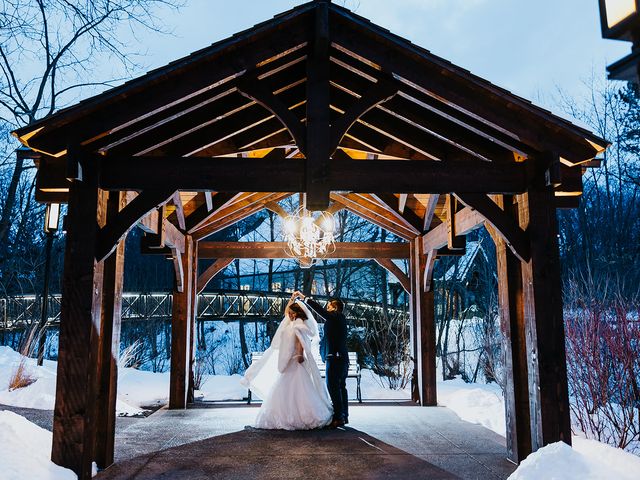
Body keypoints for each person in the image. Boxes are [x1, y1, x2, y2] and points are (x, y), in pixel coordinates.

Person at [241, 292, 333, 430]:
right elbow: (286, 313)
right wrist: (291, 299)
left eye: (291, 313)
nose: (288, 315)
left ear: (295, 313)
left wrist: (299, 355)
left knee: (296, 388)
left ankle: (299, 416)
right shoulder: (291, 323)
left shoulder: (298, 325)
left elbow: (300, 341)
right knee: (289, 387)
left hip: (295, 360)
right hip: (289, 360)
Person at [295, 291, 349, 429]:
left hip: (335, 359)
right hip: (341, 358)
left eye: (329, 306)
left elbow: (320, 311)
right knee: (341, 387)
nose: (327, 309)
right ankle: (343, 415)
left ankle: (338, 417)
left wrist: (305, 298)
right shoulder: (340, 319)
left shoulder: (335, 317)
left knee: (334, 388)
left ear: (335, 308)